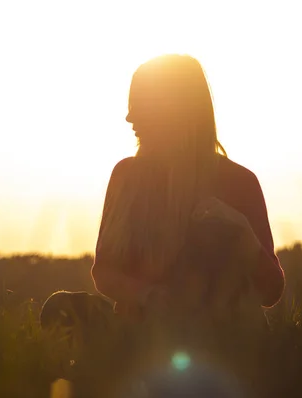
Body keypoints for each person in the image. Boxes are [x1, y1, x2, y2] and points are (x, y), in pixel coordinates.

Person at [91, 54, 285, 322]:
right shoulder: (126, 176)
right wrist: (148, 295)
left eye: (139, 104)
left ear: (175, 109)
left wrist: (241, 230)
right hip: (145, 328)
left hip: (216, 333)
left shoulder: (240, 181)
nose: (129, 116)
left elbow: (270, 292)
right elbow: (104, 272)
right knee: (60, 308)